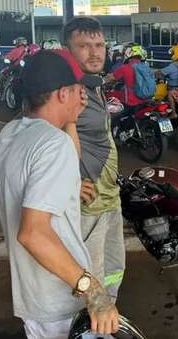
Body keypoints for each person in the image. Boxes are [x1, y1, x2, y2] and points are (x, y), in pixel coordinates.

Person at [0, 49, 119, 339]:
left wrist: (70, 120)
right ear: (63, 93)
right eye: (78, 90)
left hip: (34, 298)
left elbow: (32, 177)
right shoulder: (53, 144)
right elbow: (33, 234)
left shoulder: (12, 133)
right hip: (62, 300)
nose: (83, 97)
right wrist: (94, 291)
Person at [63, 16, 126, 302]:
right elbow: (42, 140)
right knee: (91, 278)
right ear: (68, 50)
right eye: (84, 45)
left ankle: (109, 311)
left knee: (113, 268)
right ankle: (92, 326)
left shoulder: (93, 85)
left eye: (99, 44)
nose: (95, 52)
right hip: (89, 204)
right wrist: (67, 185)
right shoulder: (66, 90)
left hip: (109, 196)